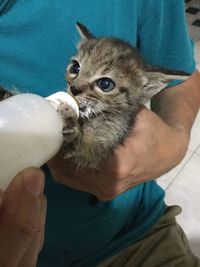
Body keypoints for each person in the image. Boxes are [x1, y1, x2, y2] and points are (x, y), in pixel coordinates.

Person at [0, 0, 200, 266]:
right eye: (76, 69)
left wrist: (173, 144)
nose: (77, 86)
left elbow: (182, 80)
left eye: (104, 84)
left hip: (137, 231)